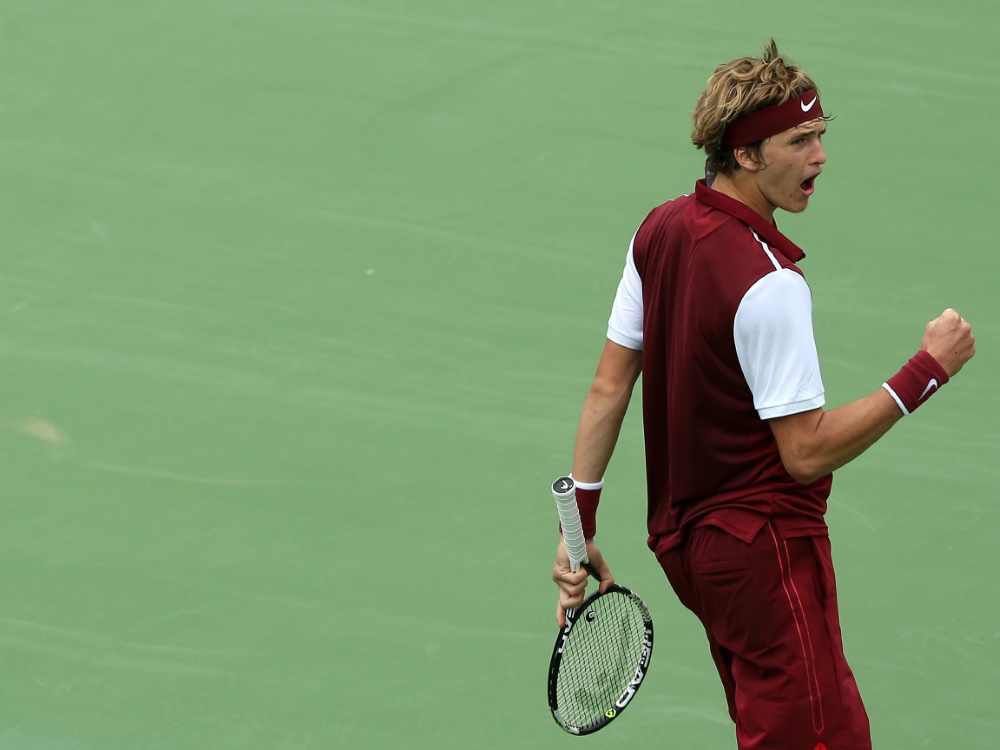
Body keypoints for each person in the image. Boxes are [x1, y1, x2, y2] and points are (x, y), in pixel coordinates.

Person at [550, 40, 975, 750]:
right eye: (799, 140)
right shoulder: (769, 284)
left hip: (689, 549)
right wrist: (925, 371)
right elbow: (805, 454)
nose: (820, 156)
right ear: (746, 154)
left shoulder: (657, 229)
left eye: (821, 136)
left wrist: (579, 526)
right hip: (763, 554)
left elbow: (609, 383)